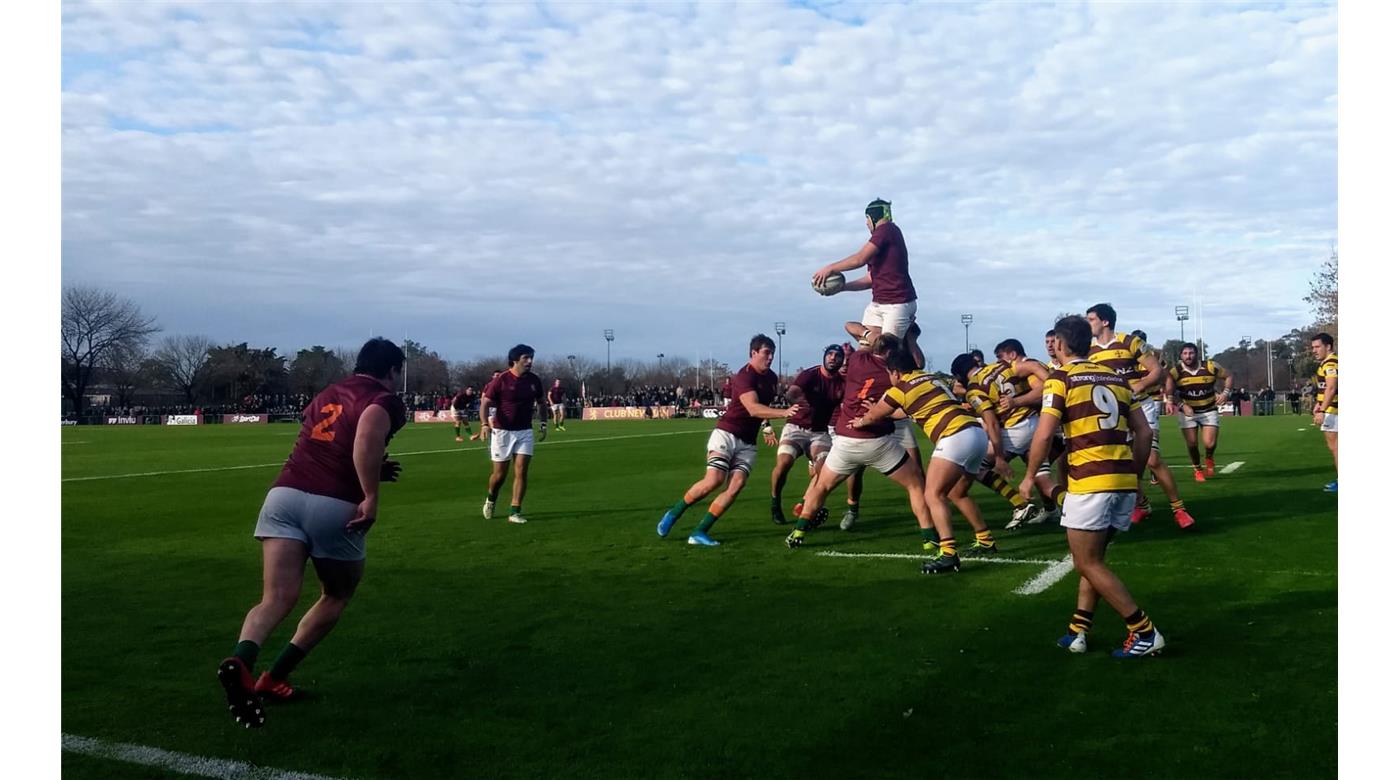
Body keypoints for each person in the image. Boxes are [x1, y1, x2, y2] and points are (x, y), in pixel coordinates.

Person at [217, 338, 409, 728]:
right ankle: (274, 677)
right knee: (337, 594)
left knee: (275, 597)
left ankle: (241, 660)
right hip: (333, 504)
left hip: (284, 495)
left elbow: (328, 443)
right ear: (391, 370)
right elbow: (364, 441)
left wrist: (373, 469)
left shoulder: (328, 392)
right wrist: (370, 495)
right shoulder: (384, 398)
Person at [1021, 316, 1165, 658]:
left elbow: (1044, 433)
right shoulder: (1116, 377)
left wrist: (1029, 476)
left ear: (1060, 344)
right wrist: (1137, 473)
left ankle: (1144, 631)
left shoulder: (1060, 379)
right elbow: (1144, 433)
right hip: (1123, 479)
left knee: (1087, 563)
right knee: (1093, 559)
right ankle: (1078, 630)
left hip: (1090, 480)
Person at [785, 335, 960, 575]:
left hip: (846, 440)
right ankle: (929, 537)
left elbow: (853, 329)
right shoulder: (895, 374)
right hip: (876, 441)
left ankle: (799, 532)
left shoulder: (857, 360)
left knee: (820, 487)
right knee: (916, 484)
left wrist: (863, 339)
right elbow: (901, 405)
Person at [850, 347, 1000, 557]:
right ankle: (985, 539)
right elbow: (907, 409)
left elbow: (875, 415)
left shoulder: (900, 388)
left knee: (932, 494)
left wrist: (861, 421)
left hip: (954, 435)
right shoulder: (928, 377)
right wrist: (884, 414)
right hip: (975, 433)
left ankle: (948, 553)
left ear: (895, 372)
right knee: (957, 492)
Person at [657, 335, 796, 545]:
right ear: (753, 353)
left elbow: (762, 408)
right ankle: (674, 513)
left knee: (736, 485)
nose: (770, 358)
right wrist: (784, 412)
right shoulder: (744, 376)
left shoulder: (772, 378)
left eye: (772, 354)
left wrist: (767, 426)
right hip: (728, 433)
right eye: (766, 353)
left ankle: (699, 532)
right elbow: (752, 407)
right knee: (714, 480)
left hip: (748, 442)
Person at [1084, 304, 1196, 530]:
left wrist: (1141, 384)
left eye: (1091, 319)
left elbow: (1157, 371)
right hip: (1114, 413)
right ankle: (1142, 505)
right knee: (1125, 464)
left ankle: (1179, 509)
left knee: (1152, 459)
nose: (1088, 324)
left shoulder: (1129, 342)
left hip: (1141, 407)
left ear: (1105, 321)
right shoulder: (1088, 350)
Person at [810, 198, 925, 368]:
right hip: (879, 303)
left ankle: (904, 364)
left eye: (866, 219)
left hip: (897, 303)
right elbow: (871, 279)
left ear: (871, 218)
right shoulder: (885, 238)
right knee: (866, 349)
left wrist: (830, 268)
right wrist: (843, 287)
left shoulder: (886, 230)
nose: (866, 224)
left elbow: (859, 259)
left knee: (886, 354)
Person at [769, 345, 844, 526]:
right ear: (824, 357)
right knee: (784, 462)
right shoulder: (810, 374)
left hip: (819, 432)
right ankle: (775, 502)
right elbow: (794, 391)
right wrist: (793, 397)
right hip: (796, 427)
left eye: (837, 356)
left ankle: (811, 506)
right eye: (830, 354)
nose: (833, 358)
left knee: (824, 470)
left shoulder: (842, 383)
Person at [480, 346, 549, 524]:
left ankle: (515, 511)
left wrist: (543, 423)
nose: (530, 361)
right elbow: (485, 404)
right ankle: (491, 499)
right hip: (502, 432)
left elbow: (541, 403)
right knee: (499, 475)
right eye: (526, 358)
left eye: (531, 358)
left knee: (521, 471)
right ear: (515, 360)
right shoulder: (501, 380)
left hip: (525, 431)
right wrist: (484, 425)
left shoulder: (534, 380)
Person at [1164, 343, 1233, 482]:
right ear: (1181, 356)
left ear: (1197, 354)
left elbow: (1229, 375)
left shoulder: (1210, 366)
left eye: (1191, 353)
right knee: (1192, 444)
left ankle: (1209, 457)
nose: (1188, 356)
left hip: (1208, 409)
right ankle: (1197, 469)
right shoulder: (1175, 371)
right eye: (1185, 353)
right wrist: (1180, 404)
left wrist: (1225, 393)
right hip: (1188, 411)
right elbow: (1169, 391)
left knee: (1209, 443)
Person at [1310, 333, 1338, 491]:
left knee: (1336, 447)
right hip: (1331, 408)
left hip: (1334, 410)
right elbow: (1325, 388)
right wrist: (1318, 403)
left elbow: (1332, 387)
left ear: (1328, 347)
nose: (1314, 350)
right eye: (1313, 347)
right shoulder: (1328, 363)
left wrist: (1322, 409)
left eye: (1317, 347)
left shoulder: (1330, 363)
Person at [469, 371, 502, 441]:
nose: (497, 377)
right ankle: (493, 442)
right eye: (496, 375)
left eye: (499, 375)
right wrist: (484, 406)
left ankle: (481, 434)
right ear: (492, 377)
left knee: (498, 426)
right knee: (493, 425)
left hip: (500, 408)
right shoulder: (489, 385)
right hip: (491, 408)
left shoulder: (504, 384)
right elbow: (483, 397)